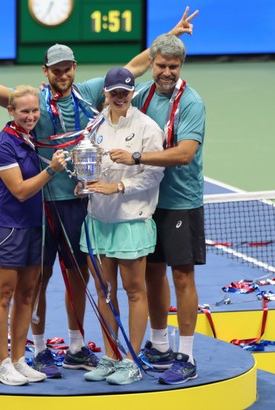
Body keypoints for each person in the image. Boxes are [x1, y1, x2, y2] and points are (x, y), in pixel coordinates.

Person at [0, 8, 197, 379]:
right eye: (56, 69)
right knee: (38, 280)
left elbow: (134, 69)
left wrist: (170, 37)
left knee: (81, 279)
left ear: (74, 68)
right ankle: (41, 350)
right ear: (46, 72)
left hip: (82, 203)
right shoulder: (32, 102)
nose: (62, 74)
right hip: (43, 205)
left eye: (67, 68)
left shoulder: (91, 92)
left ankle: (76, 348)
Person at [110, 33, 206, 385]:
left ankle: (187, 355)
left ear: (181, 66)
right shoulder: (145, 95)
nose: (167, 72)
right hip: (147, 201)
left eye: (173, 66)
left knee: (182, 276)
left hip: (181, 201)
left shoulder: (192, 103)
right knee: (153, 272)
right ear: (152, 64)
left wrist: (137, 157)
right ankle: (160, 345)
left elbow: (184, 154)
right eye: (162, 65)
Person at [77, 68, 164, 385]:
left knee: (134, 291)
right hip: (98, 219)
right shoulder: (96, 125)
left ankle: (131, 360)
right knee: (103, 291)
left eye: (123, 92)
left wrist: (119, 187)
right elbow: (86, 162)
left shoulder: (147, 128)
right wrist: (83, 183)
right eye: (113, 91)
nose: (118, 96)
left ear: (132, 93)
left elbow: (154, 175)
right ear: (106, 93)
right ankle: (111, 356)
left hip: (131, 220)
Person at [0, 85, 67, 385]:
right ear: (11, 111)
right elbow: (19, 191)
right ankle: (1, 363)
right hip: (7, 229)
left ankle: (19, 359)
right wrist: (52, 170)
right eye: (24, 111)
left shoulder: (30, 140)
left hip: (34, 227)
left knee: (27, 295)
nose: (31, 116)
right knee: (4, 295)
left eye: (35, 111)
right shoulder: (3, 145)